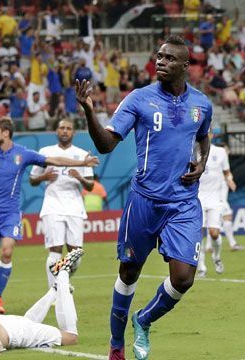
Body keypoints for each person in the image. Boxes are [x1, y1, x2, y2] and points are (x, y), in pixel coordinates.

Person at [76, 35, 212, 360]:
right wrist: (89, 112)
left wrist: (202, 163)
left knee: (183, 279)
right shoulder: (139, 99)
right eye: (159, 57)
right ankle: (116, 344)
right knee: (128, 272)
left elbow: (204, 137)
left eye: (168, 58)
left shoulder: (202, 104)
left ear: (184, 65)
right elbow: (106, 145)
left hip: (183, 203)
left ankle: (144, 319)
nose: (160, 62)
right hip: (145, 201)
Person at [0, 118, 99, 313]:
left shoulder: (23, 153)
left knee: (7, 251)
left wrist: (82, 162)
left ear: (5, 133)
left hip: (10, 212)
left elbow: (56, 160)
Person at [30, 118, 94, 290]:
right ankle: (55, 292)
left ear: (73, 132)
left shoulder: (81, 154)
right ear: (56, 131)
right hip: (52, 205)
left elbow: (90, 185)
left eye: (68, 128)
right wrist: (44, 177)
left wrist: (79, 177)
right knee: (55, 251)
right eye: (62, 128)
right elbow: (32, 179)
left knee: (76, 254)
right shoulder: (45, 152)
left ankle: (62, 280)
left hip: (74, 206)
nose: (65, 131)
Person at [196, 137, 235, 277]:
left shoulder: (220, 152)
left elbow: (227, 172)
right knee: (197, 233)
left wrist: (230, 180)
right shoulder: (191, 151)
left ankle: (216, 257)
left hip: (215, 199)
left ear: (210, 135)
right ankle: (201, 267)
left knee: (214, 233)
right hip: (197, 198)